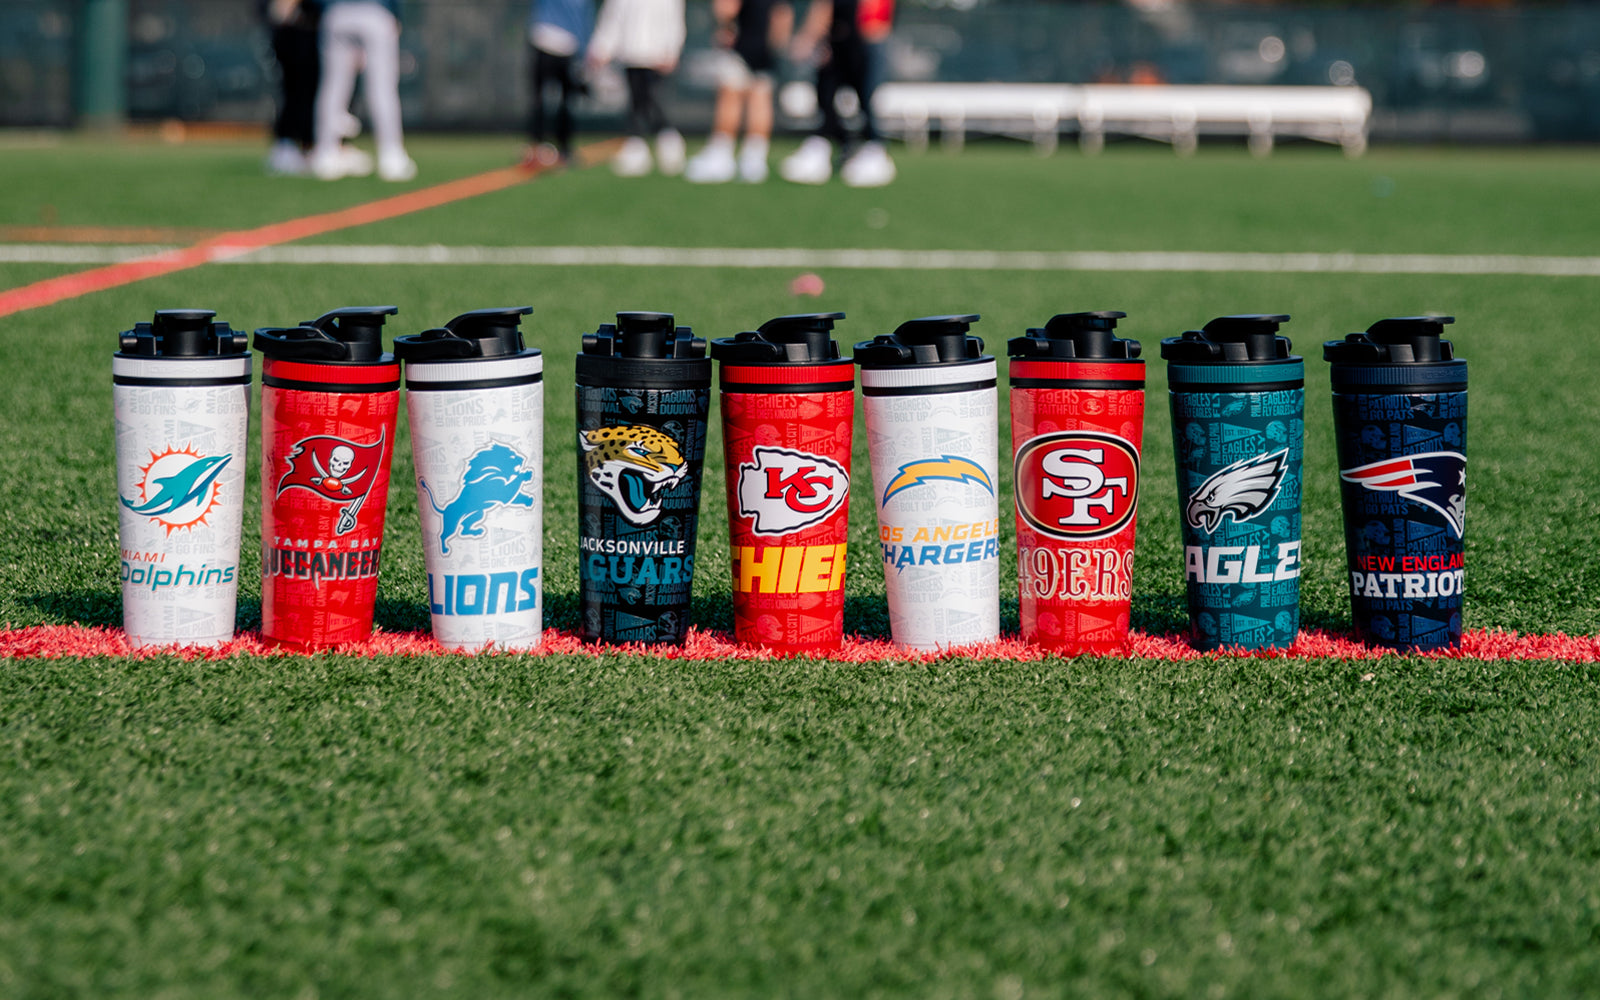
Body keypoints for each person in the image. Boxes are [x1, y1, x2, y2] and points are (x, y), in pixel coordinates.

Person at [780, 0, 895, 187]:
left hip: (864, 37)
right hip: (837, 38)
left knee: (866, 98)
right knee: (827, 95)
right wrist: (817, 36)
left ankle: (873, 150)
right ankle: (827, 147)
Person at [684, 0, 792, 184]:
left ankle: (721, 156)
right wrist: (775, 47)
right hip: (765, 47)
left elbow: (726, 8)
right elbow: (783, 15)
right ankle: (754, 159)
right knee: (760, 99)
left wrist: (724, 27)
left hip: (742, 43)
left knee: (730, 96)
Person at [310, 0, 416, 182]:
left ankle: (325, 153)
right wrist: (396, 14)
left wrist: (322, 9)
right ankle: (391, 156)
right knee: (382, 87)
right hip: (375, 12)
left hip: (337, 12)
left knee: (333, 86)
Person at [587, 0, 687, 177]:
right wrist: (602, 47)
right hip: (631, 54)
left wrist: (672, 50)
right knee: (637, 102)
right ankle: (637, 148)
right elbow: (612, 19)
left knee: (653, 100)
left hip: (657, 56)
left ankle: (668, 143)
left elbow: (675, 20)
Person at [526, 0, 594, 166]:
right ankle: (559, 150)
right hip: (559, 44)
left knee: (548, 100)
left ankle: (541, 148)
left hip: (551, 43)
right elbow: (585, 23)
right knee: (560, 101)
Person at [262, 0, 320, 175]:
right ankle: (286, 146)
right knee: (297, 89)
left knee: (307, 90)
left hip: (306, 29)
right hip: (293, 30)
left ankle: (307, 146)